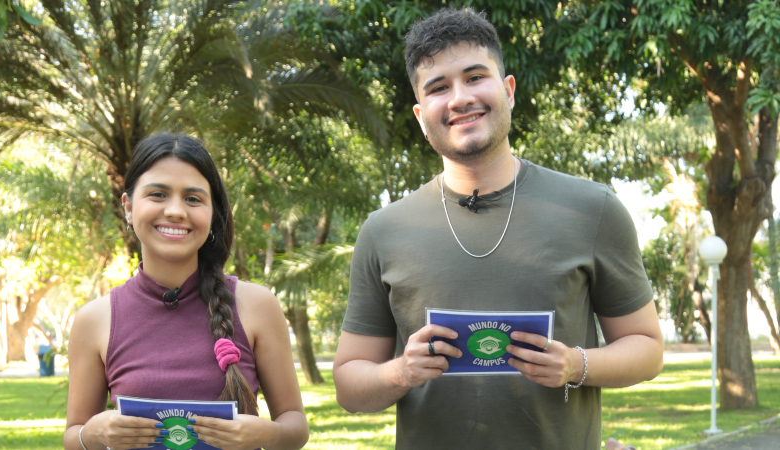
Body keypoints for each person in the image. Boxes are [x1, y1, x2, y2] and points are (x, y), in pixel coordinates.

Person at [333, 8, 663, 449]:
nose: (459, 98)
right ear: (420, 114)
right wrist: (400, 371)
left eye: (474, 77)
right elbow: (349, 387)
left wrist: (575, 365)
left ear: (508, 90)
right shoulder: (383, 230)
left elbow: (646, 348)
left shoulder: (593, 210)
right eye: (438, 87)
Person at [63, 134, 308, 450]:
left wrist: (264, 434)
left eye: (193, 199)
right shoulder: (94, 319)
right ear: (127, 206)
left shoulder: (257, 305)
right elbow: (74, 436)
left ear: (212, 214)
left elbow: (295, 425)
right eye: (158, 194)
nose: (176, 211)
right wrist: (92, 434)